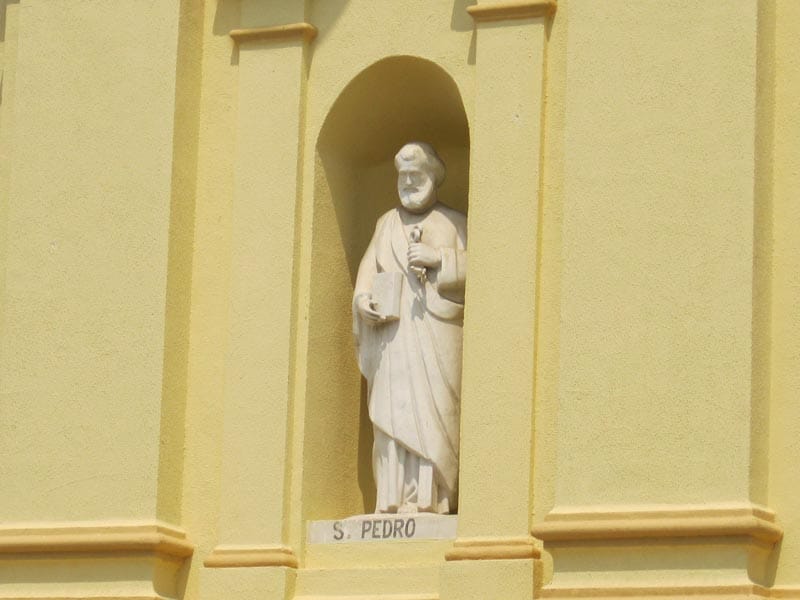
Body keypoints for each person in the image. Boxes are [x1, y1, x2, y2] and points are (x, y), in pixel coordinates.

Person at [353, 142, 467, 514]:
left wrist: (439, 259)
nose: (408, 183)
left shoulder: (453, 222)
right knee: (391, 413)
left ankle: (432, 498)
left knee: (435, 413)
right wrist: (363, 300)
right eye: (402, 176)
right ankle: (391, 498)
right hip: (393, 338)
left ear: (433, 177)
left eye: (416, 175)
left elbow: (480, 270)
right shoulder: (386, 223)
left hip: (436, 333)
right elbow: (368, 271)